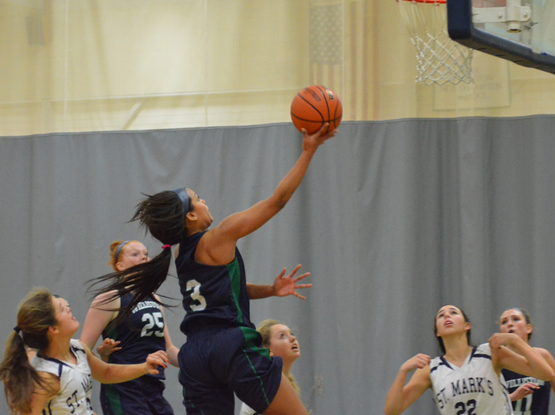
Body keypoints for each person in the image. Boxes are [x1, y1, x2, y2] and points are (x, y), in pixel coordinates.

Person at [91, 123, 337, 415]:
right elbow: (277, 201)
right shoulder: (220, 236)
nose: (205, 201)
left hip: (196, 356)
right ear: (191, 215)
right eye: (199, 198)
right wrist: (308, 151)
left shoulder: (181, 253)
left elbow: (226, 291)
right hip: (230, 345)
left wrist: (270, 290)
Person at [0, 287, 168, 415]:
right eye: (61, 308)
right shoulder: (47, 376)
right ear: (53, 329)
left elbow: (106, 373)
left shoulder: (77, 348)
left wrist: (144, 367)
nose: (68, 308)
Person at [384, 305, 555, 415]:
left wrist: (516, 341)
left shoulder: (490, 353)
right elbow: (391, 411)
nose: (447, 316)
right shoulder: (431, 369)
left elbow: (546, 374)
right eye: (441, 315)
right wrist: (403, 371)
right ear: (437, 331)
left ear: (467, 326)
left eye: (453, 312)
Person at [79, 240, 180, 415]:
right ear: (120, 265)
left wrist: (195, 364)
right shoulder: (110, 298)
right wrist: (104, 360)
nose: (143, 257)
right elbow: (82, 349)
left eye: (146, 254)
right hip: (123, 390)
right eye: (135, 254)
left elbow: (168, 349)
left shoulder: (154, 298)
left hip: (153, 387)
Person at [498, 308, 555, 415]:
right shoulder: (496, 360)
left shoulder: (543, 356)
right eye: (504, 322)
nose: (509, 324)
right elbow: (486, 401)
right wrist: (512, 397)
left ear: (528, 328)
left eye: (516, 319)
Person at [239, 320, 304, 415]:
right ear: (267, 350)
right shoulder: (263, 385)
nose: (293, 338)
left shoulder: (285, 385)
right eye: (282, 336)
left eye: (292, 334)